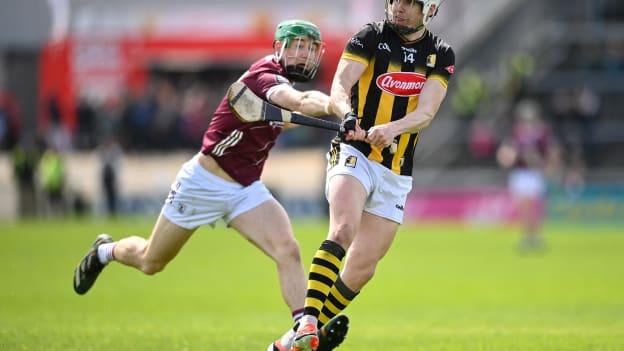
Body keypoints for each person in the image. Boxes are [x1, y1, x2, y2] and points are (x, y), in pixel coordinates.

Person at [72, 19, 347, 351]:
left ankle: (302, 331)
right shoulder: (264, 78)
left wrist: (337, 124)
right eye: (296, 46)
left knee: (287, 249)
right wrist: (337, 106)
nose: (303, 55)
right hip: (202, 183)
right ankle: (104, 252)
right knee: (150, 261)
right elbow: (300, 103)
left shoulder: (277, 91)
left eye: (309, 48)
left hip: (245, 189)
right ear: (279, 47)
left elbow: (274, 124)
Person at [289, 1, 455, 350]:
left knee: (364, 266)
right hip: (354, 153)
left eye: (411, 3)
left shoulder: (439, 54)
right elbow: (339, 86)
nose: (400, 8)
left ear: (430, 10)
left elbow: (426, 113)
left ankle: (295, 341)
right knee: (343, 228)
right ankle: (305, 324)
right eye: (396, 1)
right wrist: (347, 114)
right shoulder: (369, 37)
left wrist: (393, 128)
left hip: (396, 170)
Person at [496, 99, 560, 251]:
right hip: (521, 173)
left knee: (535, 207)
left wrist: (549, 165)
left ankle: (535, 236)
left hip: (536, 173)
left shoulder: (541, 132)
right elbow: (507, 152)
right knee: (524, 207)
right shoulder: (516, 132)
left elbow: (551, 150)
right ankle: (527, 237)